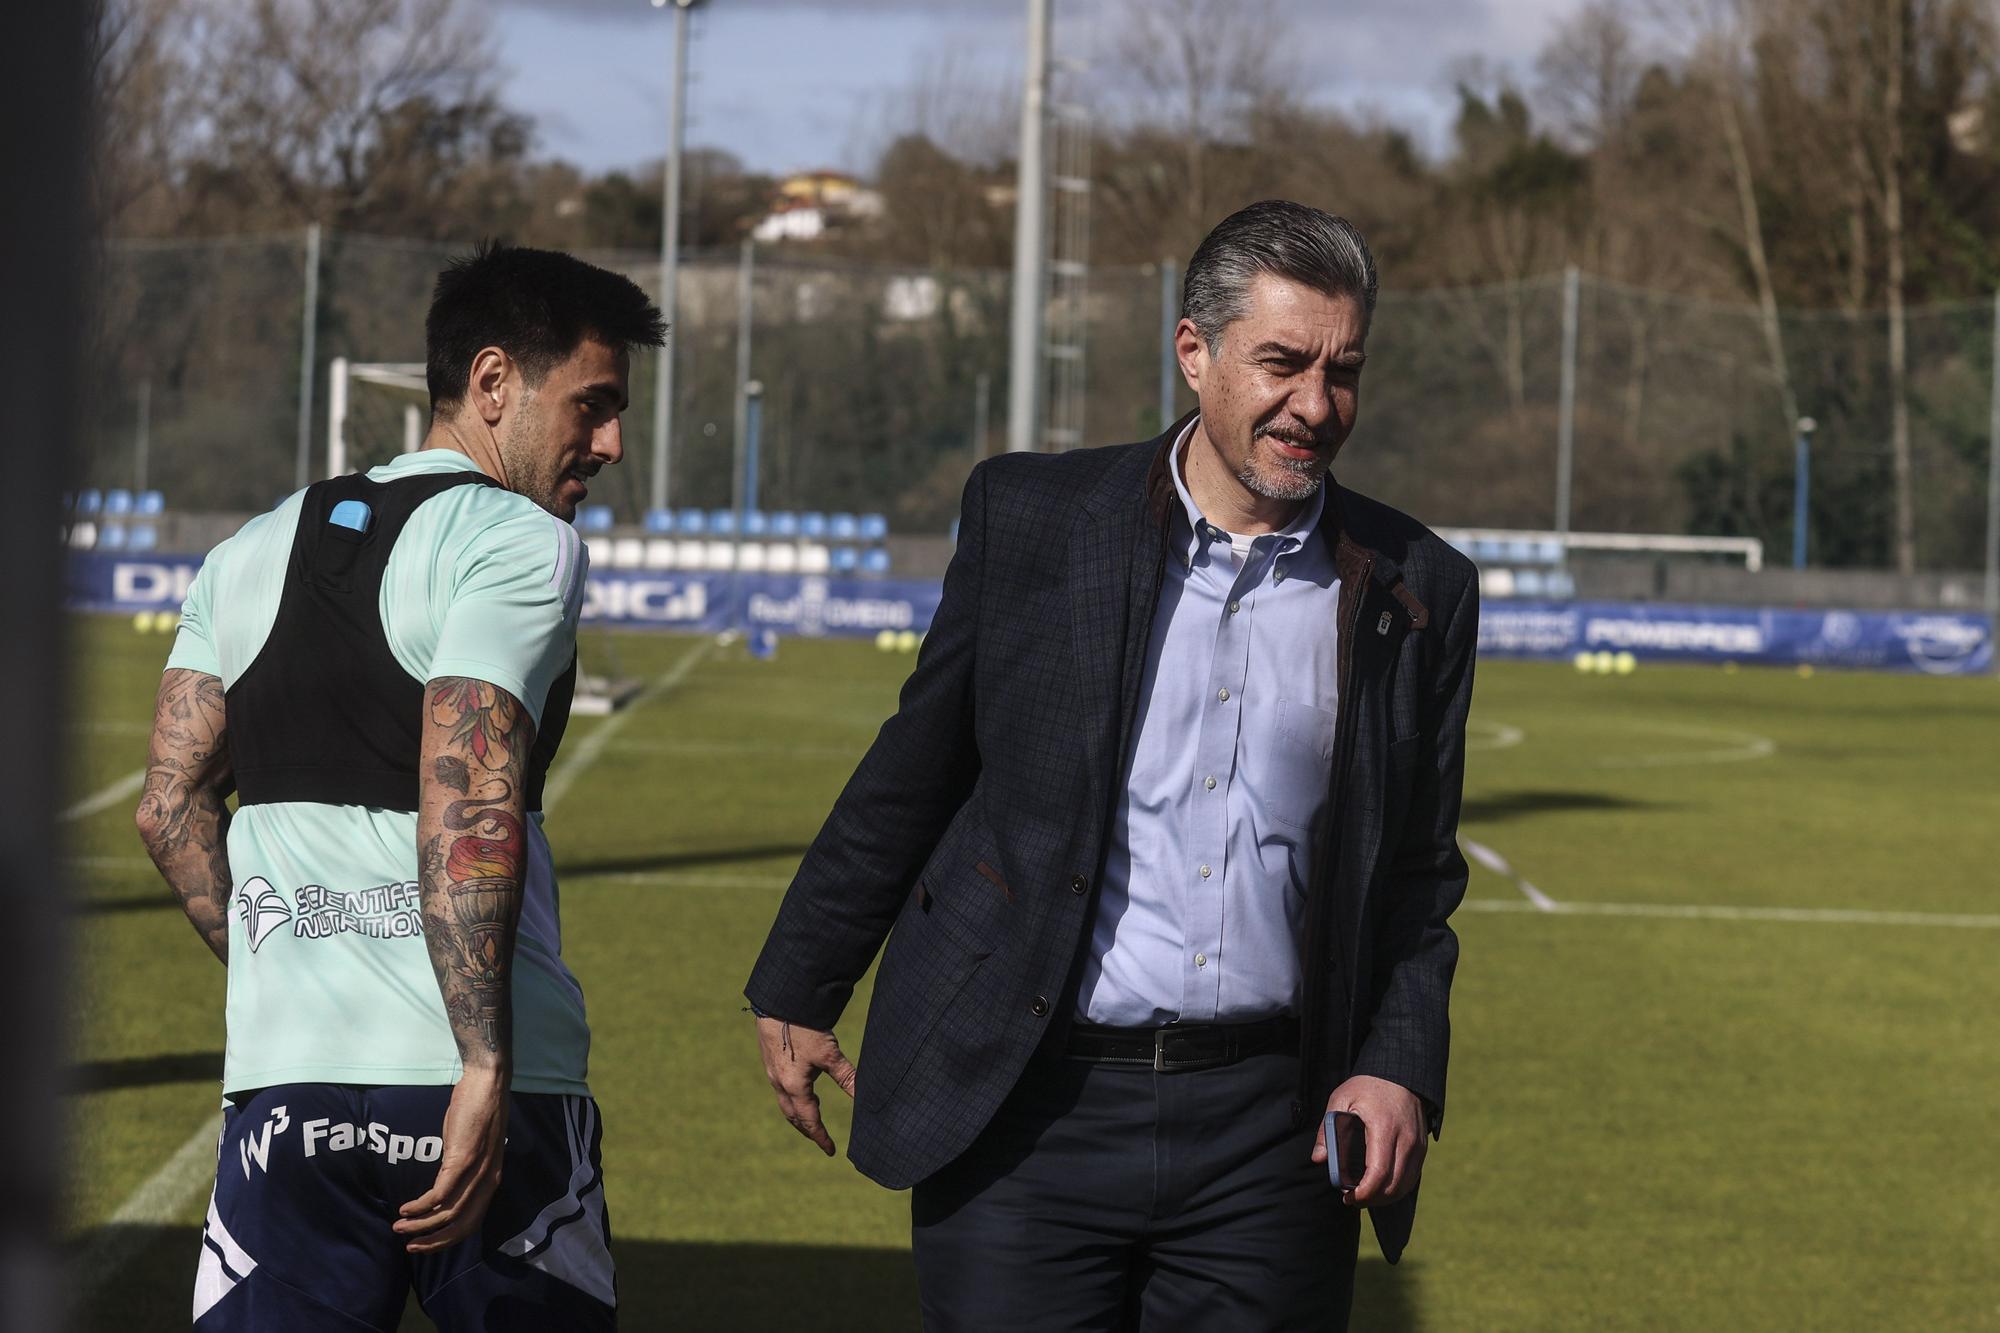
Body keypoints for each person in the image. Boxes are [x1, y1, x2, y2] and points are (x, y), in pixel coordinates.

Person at [746, 199, 1478, 1331]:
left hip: (1270, 1133)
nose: (1315, 406)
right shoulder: (1033, 517)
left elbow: (1420, 870)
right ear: (1193, 352)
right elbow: (919, 763)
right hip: (1024, 1104)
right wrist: (802, 978)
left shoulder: (1415, 582)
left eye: (1343, 371)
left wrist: (1397, 1061)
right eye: (1281, 362)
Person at [134, 243, 663, 1331]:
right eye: (593, 405)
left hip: (288, 1085)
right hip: (479, 1091)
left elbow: (169, 804)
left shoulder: (251, 546)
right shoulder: (517, 538)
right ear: (492, 382)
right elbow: (466, 783)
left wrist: (300, 961)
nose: (610, 444)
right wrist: (479, 1059)